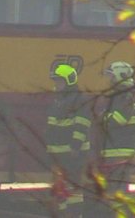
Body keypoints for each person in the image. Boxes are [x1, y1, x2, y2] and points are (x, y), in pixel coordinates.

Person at [45, 64, 91, 217]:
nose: (56, 85)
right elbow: (52, 126)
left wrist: (75, 146)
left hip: (72, 153)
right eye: (56, 81)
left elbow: (82, 124)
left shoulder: (79, 99)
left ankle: (75, 215)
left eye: (59, 81)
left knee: (73, 187)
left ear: (69, 81)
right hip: (58, 152)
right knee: (60, 187)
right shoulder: (59, 100)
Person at [94, 61, 135, 217]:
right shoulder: (120, 95)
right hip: (115, 151)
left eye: (112, 77)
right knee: (114, 192)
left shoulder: (125, 96)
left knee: (117, 192)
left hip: (120, 152)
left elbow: (117, 120)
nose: (110, 81)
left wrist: (102, 117)